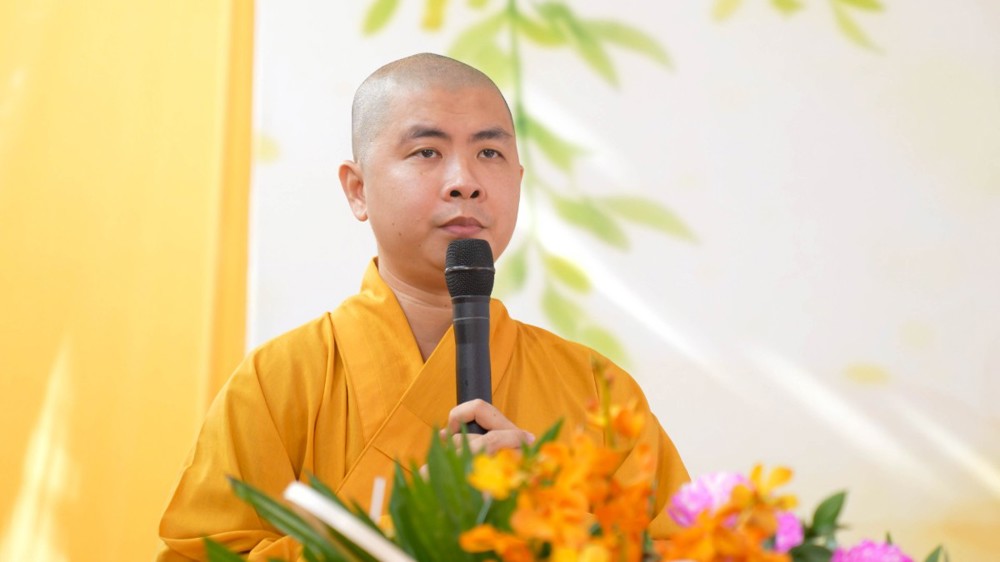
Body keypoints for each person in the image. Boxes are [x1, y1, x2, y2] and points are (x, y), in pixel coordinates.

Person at [157, 52, 688, 561]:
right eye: (427, 152)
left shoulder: (597, 390)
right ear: (357, 189)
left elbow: (682, 549)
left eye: (489, 153)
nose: (465, 182)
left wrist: (546, 521)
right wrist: (402, 525)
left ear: (518, 182)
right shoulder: (278, 382)